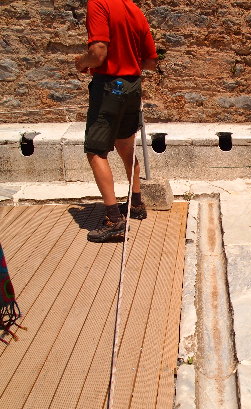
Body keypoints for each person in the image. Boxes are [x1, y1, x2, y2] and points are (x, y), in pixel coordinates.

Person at [75, 0, 158, 243]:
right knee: (126, 145)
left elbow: (98, 53)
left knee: (95, 151)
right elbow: (150, 62)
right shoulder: (135, 10)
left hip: (109, 86)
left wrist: (82, 62)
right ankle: (136, 204)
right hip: (132, 86)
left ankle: (113, 220)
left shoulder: (99, 4)